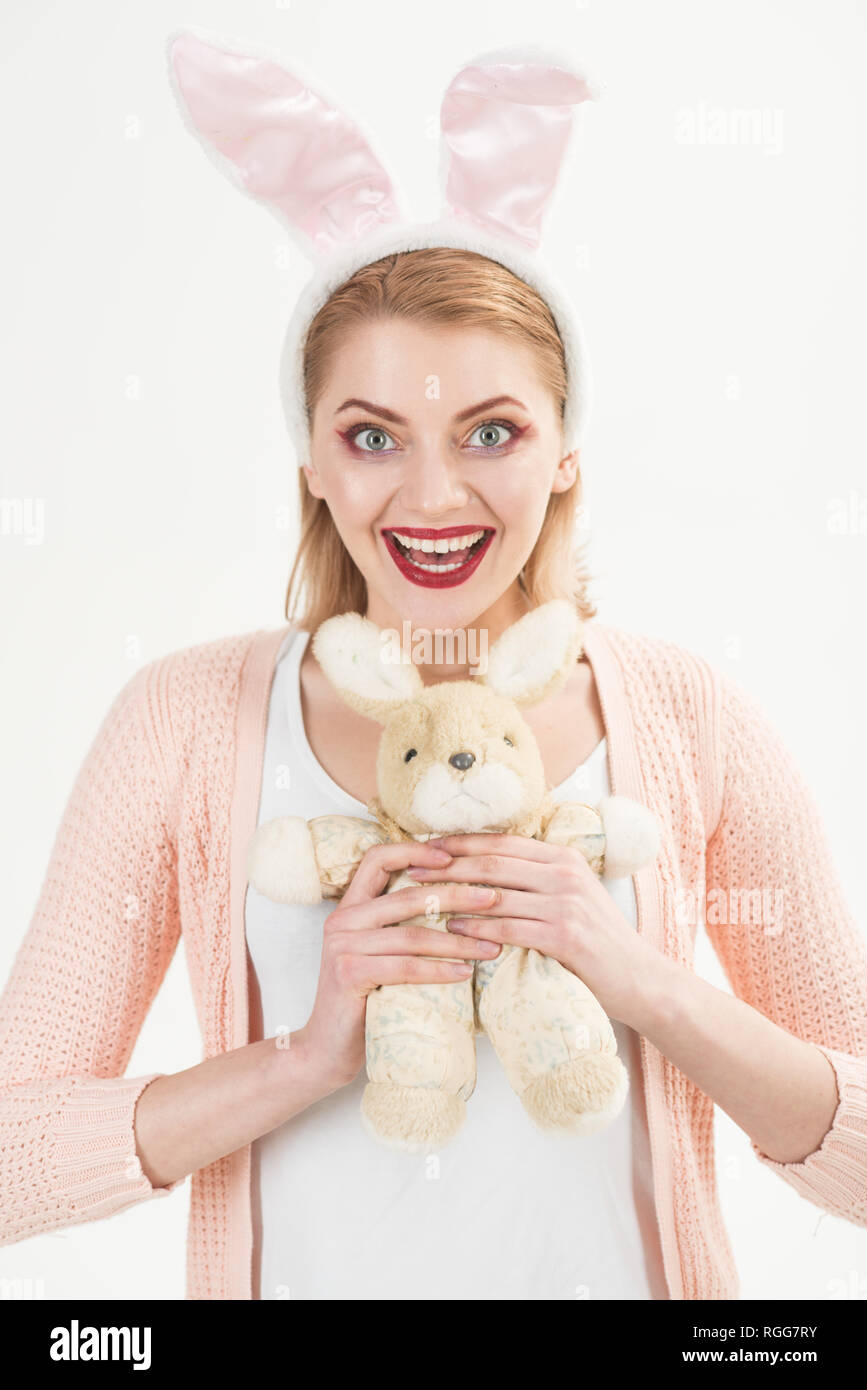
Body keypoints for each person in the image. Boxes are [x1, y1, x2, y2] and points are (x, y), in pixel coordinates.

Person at [1, 32, 865, 1302]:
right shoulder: (182, 721)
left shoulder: (690, 718)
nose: (433, 496)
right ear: (311, 459)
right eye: (373, 437)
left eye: (490, 432)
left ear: (565, 451)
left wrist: (644, 982)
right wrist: (303, 1056)